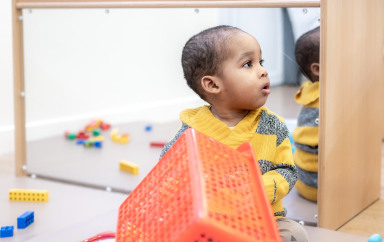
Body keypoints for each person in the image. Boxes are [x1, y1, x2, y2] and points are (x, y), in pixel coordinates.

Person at [160, 25, 308, 242]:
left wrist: (258, 189)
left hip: (262, 218)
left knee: (295, 234)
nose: (263, 71)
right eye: (248, 64)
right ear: (212, 84)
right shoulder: (193, 130)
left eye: (261, 62)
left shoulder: (272, 125)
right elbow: (168, 170)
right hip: (210, 221)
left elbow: (287, 170)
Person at [292, 26, 320, 202]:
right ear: (317, 69)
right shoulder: (333, 96)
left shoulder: (310, 89)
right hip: (320, 187)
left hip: (302, 180)